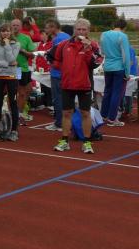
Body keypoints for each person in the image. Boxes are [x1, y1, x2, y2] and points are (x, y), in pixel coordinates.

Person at [52, 18, 102, 153]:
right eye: (78, 29)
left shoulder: (93, 45)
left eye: (83, 29)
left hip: (84, 84)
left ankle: (87, 142)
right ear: (74, 30)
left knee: (85, 113)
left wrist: (87, 50)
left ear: (88, 31)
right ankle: (64, 141)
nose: (80, 32)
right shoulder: (64, 44)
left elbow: (96, 63)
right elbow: (53, 58)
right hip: (67, 84)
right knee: (66, 113)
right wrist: (64, 69)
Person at [0, 24, 20, 141]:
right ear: (0, 33)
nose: (5, 33)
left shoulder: (16, 44)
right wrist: (7, 64)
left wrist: (7, 45)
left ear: (10, 32)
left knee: (13, 103)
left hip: (12, 77)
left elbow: (12, 58)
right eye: (3, 31)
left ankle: (14, 131)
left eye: (7, 31)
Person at [99, 18, 132, 126]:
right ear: (124, 27)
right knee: (116, 93)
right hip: (118, 68)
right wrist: (127, 73)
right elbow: (126, 56)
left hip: (107, 66)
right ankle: (112, 119)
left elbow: (101, 52)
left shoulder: (103, 34)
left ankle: (103, 115)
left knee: (107, 91)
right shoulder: (123, 36)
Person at [43, 18, 70, 131]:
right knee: (65, 99)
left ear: (53, 27)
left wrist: (48, 57)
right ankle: (65, 122)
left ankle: (59, 123)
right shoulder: (67, 36)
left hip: (57, 73)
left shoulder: (58, 39)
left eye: (47, 28)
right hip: (66, 72)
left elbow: (56, 56)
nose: (45, 30)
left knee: (57, 98)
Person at [10, 18, 36, 123]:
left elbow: (33, 54)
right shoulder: (6, 38)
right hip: (11, 68)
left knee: (25, 91)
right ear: (10, 26)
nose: (15, 27)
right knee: (14, 92)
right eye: (13, 25)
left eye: (17, 25)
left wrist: (23, 51)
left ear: (21, 27)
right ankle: (13, 114)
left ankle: (19, 112)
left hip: (22, 68)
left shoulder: (26, 38)